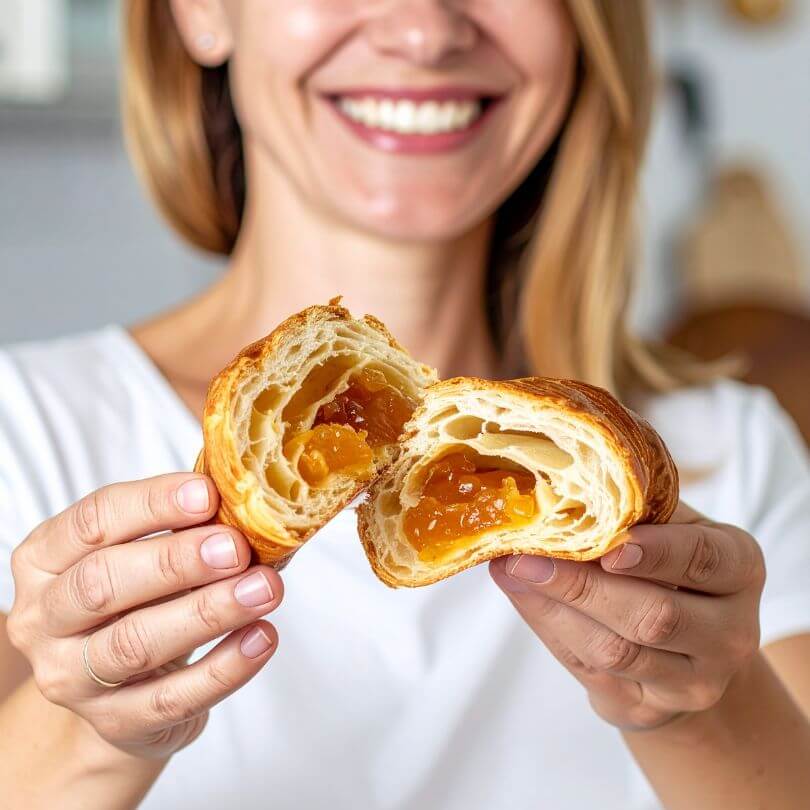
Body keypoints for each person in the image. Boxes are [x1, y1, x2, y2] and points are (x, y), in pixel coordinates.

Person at [1, 2, 809, 808]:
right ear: (204, 12)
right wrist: (93, 734)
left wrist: (695, 711)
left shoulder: (730, 456)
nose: (424, 32)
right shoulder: (24, 430)